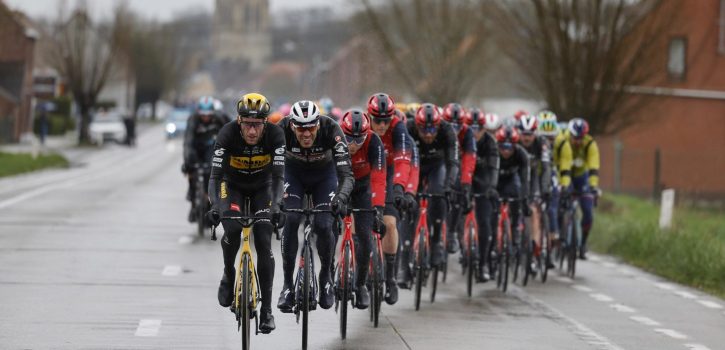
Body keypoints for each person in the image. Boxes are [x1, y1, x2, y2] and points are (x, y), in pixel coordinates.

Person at [206, 93, 283, 333]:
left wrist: (277, 206)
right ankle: (229, 274)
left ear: (265, 123)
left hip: (264, 187)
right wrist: (216, 207)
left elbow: (280, 177)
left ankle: (267, 311)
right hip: (233, 186)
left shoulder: (275, 135)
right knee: (232, 229)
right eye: (248, 125)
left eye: (257, 125)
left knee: (263, 239)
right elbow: (215, 176)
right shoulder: (227, 134)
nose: (252, 131)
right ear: (239, 122)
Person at [277, 100, 354, 311]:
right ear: (292, 125)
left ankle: (326, 276)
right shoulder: (280, 130)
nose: (306, 133)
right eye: (301, 128)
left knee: (323, 224)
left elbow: (346, 174)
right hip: (293, 174)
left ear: (318, 124)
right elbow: (270, 170)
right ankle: (286, 286)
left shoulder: (332, 130)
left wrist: (341, 198)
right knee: (291, 219)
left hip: (324, 176)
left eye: (311, 127)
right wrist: (274, 201)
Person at [367, 93, 412, 304]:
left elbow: (404, 161)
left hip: (390, 174)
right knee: (359, 224)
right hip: (365, 174)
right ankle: (358, 267)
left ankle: (391, 278)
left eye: (386, 120)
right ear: (370, 116)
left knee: (390, 224)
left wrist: (400, 189)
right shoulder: (362, 126)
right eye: (378, 120)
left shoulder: (398, 128)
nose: (382, 125)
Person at [340, 109, 387, 309]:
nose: (352, 144)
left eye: (358, 140)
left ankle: (360, 285)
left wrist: (378, 208)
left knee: (366, 238)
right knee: (327, 228)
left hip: (363, 188)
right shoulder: (334, 137)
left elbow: (378, 178)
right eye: (349, 138)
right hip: (339, 183)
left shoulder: (374, 141)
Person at [406, 103, 459, 268]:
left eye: (432, 130)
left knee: (438, 193)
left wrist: (450, 185)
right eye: (424, 130)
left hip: (437, 166)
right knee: (411, 204)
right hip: (415, 166)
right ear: (417, 126)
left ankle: (436, 242)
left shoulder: (447, 130)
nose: (428, 135)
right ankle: (407, 252)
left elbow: (453, 162)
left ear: (438, 126)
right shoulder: (408, 128)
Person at [183, 96, 228, 222]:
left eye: (208, 115)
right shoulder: (193, 120)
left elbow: (229, 136)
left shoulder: (220, 119)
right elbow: (188, 142)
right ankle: (193, 202)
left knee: (212, 172)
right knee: (191, 169)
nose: (206, 117)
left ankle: (209, 202)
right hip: (196, 149)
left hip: (211, 149)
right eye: (203, 115)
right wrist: (187, 161)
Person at [517, 114, 552, 271]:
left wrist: (545, 189)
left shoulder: (542, 144)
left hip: (534, 179)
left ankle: (534, 249)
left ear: (535, 133)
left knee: (534, 211)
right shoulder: (515, 142)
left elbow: (546, 168)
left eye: (530, 134)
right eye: (524, 134)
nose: (527, 138)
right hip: (517, 177)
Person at [467, 108, 499, 281]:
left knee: (485, 223)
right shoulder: (462, 140)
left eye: (478, 128)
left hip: (483, 182)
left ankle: (483, 263)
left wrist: (492, 187)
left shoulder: (491, 143)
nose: (475, 132)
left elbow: (494, 168)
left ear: (484, 129)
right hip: (465, 179)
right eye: (471, 128)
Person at [441, 103, 476, 255]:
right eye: (451, 124)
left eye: (458, 125)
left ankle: (451, 232)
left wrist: (466, 183)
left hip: (456, 165)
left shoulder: (467, 133)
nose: (454, 129)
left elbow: (469, 159)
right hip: (439, 162)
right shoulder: (440, 129)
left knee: (458, 192)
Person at [494, 126, 530, 272]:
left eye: (510, 147)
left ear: (515, 145)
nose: (506, 151)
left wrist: (525, 199)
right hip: (494, 180)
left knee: (517, 197)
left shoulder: (522, 154)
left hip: (511, 180)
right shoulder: (494, 152)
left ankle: (515, 228)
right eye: (503, 146)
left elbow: (524, 180)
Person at [565, 118, 600, 259]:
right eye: (575, 138)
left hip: (581, 177)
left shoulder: (590, 144)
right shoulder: (564, 141)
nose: (577, 141)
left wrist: (593, 186)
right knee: (562, 204)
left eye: (580, 138)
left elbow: (593, 166)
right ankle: (561, 238)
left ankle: (583, 243)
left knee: (588, 212)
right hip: (566, 175)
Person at [537, 111, 569, 258]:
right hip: (536, 173)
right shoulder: (534, 141)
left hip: (553, 173)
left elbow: (565, 166)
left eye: (551, 137)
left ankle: (553, 234)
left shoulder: (562, 143)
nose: (548, 141)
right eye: (544, 137)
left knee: (553, 205)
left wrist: (565, 184)